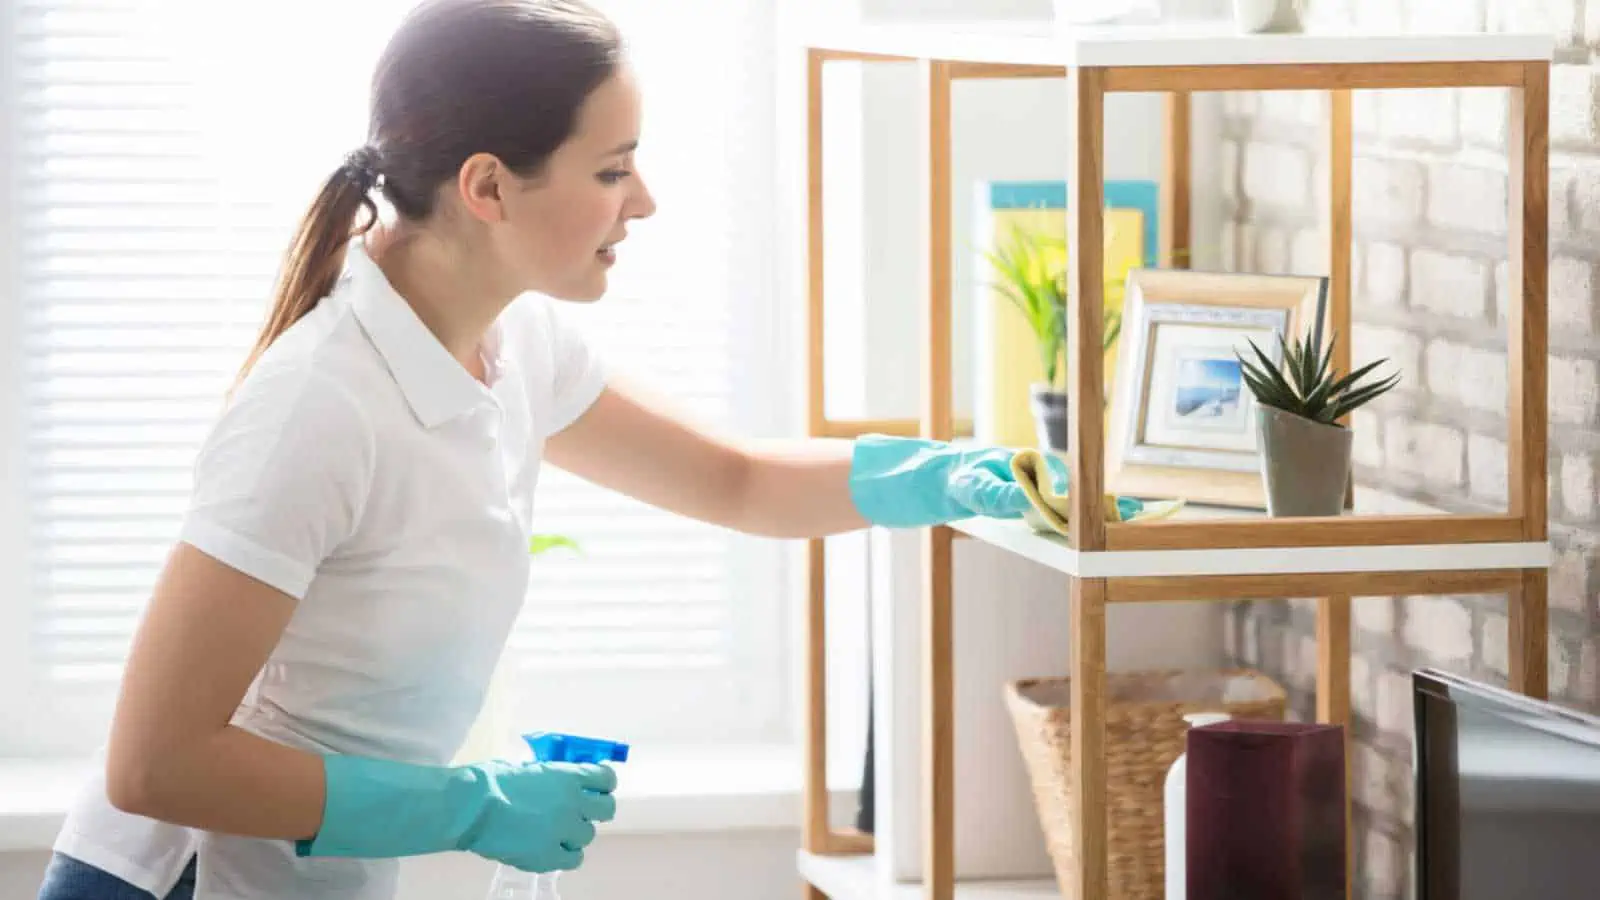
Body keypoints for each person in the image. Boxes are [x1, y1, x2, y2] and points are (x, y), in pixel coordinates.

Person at [34, 1, 1067, 898]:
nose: (645, 200)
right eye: (613, 168)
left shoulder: (512, 342)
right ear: (487, 187)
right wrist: (469, 806)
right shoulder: (318, 407)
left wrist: (944, 476)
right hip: (177, 880)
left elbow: (734, 480)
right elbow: (156, 764)